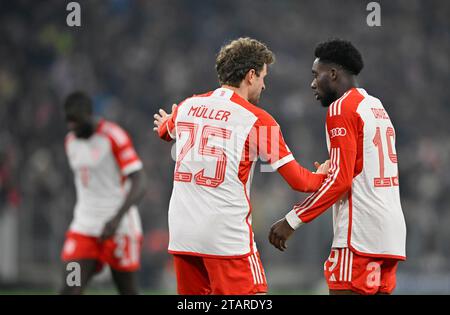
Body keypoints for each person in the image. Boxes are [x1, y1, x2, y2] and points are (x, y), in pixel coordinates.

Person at [153, 37, 329, 295]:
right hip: (225, 239)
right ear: (250, 75)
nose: (264, 85)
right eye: (262, 77)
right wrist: (322, 175)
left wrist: (165, 126)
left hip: (183, 236)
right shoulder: (259, 121)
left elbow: (165, 130)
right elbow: (300, 182)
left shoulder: (188, 106)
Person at [268, 39, 407, 295]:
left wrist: (291, 220)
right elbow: (361, 166)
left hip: (359, 235)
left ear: (332, 74)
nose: (312, 83)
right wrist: (336, 168)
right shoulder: (376, 107)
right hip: (391, 237)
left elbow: (340, 181)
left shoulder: (341, 108)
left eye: (315, 75)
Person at [60, 91, 147, 295]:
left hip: (119, 228)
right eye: (69, 122)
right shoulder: (70, 142)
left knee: (127, 291)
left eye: (77, 122)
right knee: (70, 289)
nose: (72, 128)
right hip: (85, 228)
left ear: (89, 115)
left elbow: (140, 180)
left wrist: (116, 218)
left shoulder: (113, 136)